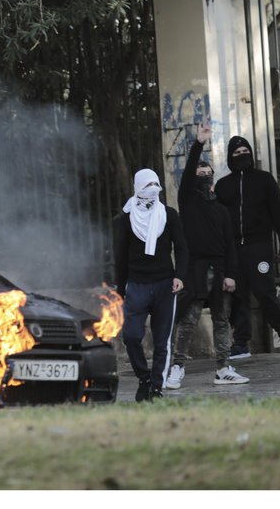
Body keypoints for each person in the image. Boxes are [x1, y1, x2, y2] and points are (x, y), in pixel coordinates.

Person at [167, 121, 248, 389]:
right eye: (200, 173)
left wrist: (232, 276)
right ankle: (177, 367)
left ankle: (223, 367)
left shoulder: (221, 210)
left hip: (220, 270)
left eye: (207, 173)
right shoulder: (188, 201)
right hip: (195, 270)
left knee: (222, 320)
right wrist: (199, 143)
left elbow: (231, 245)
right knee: (188, 321)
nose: (203, 176)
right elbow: (189, 172)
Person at [214, 135, 280, 358]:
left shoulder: (265, 180)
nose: (242, 156)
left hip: (259, 247)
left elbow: (278, 215)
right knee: (238, 295)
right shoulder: (223, 186)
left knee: (265, 292)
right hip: (234, 250)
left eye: (245, 151)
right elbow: (219, 222)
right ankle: (241, 343)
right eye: (237, 153)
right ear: (231, 157)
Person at [114, 169, 188, 402]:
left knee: (162, 340)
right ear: (138, 187)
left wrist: (180, 276)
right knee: (131, 336)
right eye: (148, 184)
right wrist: (120, 290)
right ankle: (144, 378)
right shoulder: (124, 220)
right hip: (136, 286)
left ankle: (157, 387)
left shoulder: (168, 215)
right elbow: (120, 258)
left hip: (165, 285)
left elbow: (182, 248)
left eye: (156, 183)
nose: (153, 188)